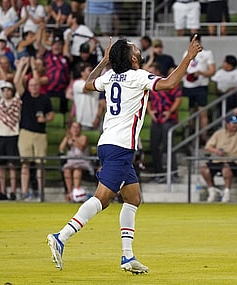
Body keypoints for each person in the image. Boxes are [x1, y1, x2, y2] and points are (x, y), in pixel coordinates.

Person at [46, 35, 202, 273]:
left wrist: (104, 61)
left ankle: (128, 257)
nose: (138, 48)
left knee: (133, 198)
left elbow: (87, 84)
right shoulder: (138, 76)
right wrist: (188, 57)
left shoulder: (109, 77)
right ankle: (61, 236)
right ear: (133, 57)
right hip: (120, 147)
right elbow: (170, 84)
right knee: (102, 199)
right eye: (134, 47)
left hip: (108, 144)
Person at [14, 57, 54, 200]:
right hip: (25, 132)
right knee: (25, 163)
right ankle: (24, 192)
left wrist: (46, 119)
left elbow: (51, 114)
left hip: (40, 134)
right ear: (28, 86)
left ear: (39, 86)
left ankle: (41, 193)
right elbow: (16, 82)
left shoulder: (45, 98)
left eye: (36, 85)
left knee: (40, 165)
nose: (34, 87)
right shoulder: (25, 95)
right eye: (31, 85)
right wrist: (22, 67)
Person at [200, 108, 237, 203]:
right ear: (227, 124)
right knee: (204, 168)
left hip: (234, 161)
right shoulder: (219, 133)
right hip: (218, 160)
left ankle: (227, 192)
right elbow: (208, 147)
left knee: (226, 168)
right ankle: (212, 190)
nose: (235, 125)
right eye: (233, 123)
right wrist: (216, 151)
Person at [0, 59, 21, 201]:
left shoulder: (16, 102)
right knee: (0, 165)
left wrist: (20, 68)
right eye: (4, 90)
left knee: (12, 165)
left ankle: (13, 191)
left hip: (12, 135)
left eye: (8, 90)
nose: (6, 92)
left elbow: (17, 84)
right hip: (0, 135)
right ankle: (2, 191)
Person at [147, 62, 182, 182]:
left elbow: (178, 99)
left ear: (158, 72)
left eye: (151, 72)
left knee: (168, 146)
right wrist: (150, 112)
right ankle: (158, 173)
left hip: (169, 118)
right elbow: (148, 99)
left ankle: (173, 173)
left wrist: (170, 111)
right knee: (154, 146)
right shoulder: (149, 85)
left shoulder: (167, 82)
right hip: (156, 118)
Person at [182, 34, 216, 142]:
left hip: (201, 85)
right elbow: (183, 68)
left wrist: (201, 73)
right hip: (188, 85)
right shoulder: (186, 53)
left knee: (203, 112)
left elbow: (212, 71)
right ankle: (190, 134)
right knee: (190, 112)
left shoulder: (207, 53)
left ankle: (203, 136)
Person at [60, 122, 95, 202]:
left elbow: (81, 147)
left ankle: (76, 192)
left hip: (82, 162)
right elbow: (61, 148)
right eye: (73, 127)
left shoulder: (83, 137)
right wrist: (66, 138)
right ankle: (70, 193)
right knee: (67, 170)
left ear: (80, 129)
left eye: (77, 127)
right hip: (71, 162)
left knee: (77, 169)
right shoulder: (68, 138)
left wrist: (73, 139)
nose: (75, 129)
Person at [37, 34, 70, 114]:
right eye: (55, 44)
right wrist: (41, 30)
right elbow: (38, 43)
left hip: (62, 89)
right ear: (51, 46)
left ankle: (64, 120)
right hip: (48, 88)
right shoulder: (47, 55)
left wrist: (68, 39)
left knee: (64, 102)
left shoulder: (65, 57)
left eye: (59, 45)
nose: (57, 46)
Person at [68, 63, 99, 129]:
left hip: (96, 121)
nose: (92, 72)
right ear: (82, 73)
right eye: (89, 70)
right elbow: (86, 89)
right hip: (82, 122)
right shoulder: (77, 84)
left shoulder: (97, 83)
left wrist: (98, 117)